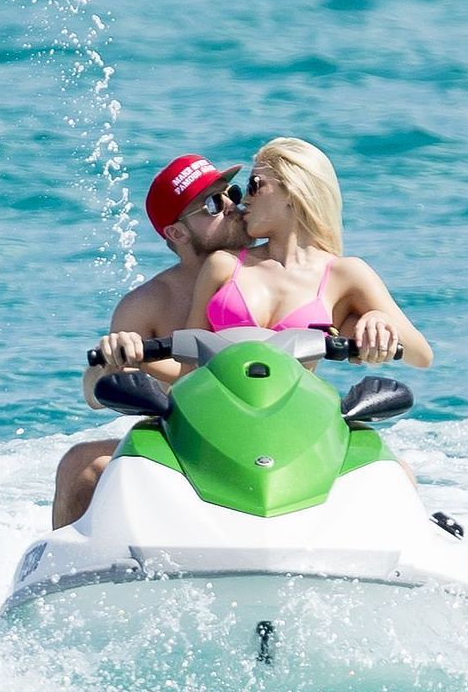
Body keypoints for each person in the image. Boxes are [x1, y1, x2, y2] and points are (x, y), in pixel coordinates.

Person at [50, 153, 254, 527]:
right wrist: (111, 360)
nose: (231, 206)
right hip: (190, 447)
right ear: (177, 233)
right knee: (79, 463)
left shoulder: (276, 268)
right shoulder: (149, 303)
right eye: (213, 203)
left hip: (277, 436)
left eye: (233, 193)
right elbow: (95, 393)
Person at [188, 136, 432, 368]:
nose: (245, 201)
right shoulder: (223, 265)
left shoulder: (345, 275)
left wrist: (379, 318)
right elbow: (187, 361)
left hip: (293, 397)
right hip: (216, 394)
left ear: (292, 191)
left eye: (254, 185)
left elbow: (421, 356)